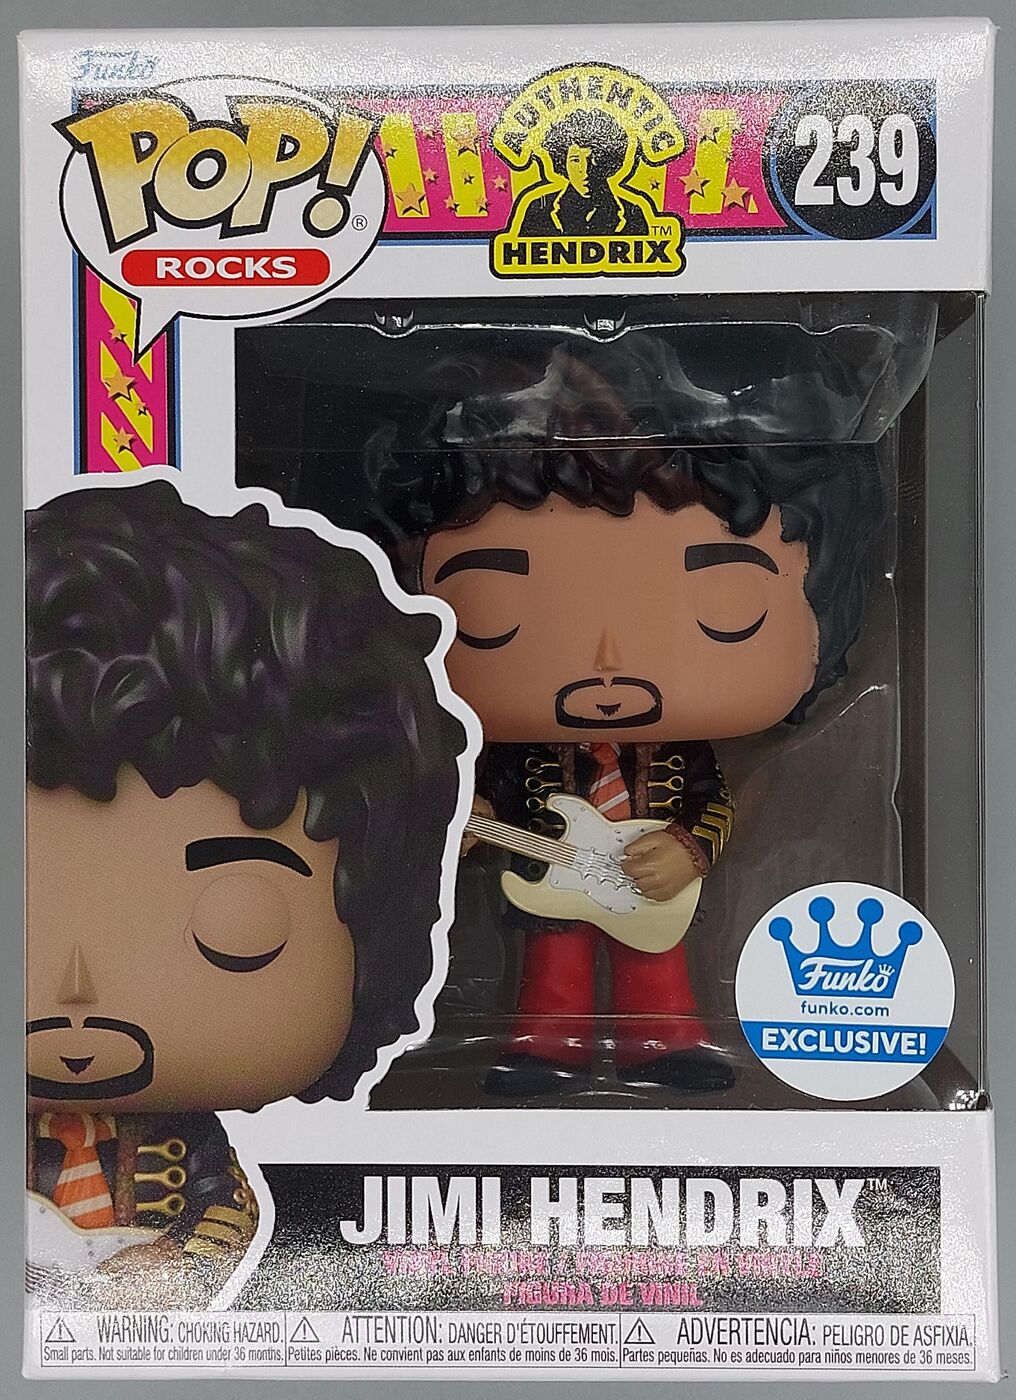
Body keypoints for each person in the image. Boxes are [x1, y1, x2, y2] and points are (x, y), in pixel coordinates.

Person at [350, 342, 883, 1098]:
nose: (607, 662)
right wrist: (472, 823)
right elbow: (488, 798)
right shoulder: (514, 749)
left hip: (645, 880)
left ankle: (664, 1040)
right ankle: (545, 1046)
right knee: (553, 960)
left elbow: (712, 802)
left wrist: (689, 850)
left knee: (655, 957)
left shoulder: (683, 749)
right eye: (494, 612)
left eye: (725, 607)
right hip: (549, 883)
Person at [25, 478, 465, 1302]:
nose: (75, 990)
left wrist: (179, 1269)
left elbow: (225, 1214)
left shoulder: (187, 1143)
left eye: (234, 928)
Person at [518, 108, 650, 237]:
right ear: (562, 163)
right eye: (575, 160)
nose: (585, 170)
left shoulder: (632, 211)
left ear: (608, 162)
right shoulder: (540, 208)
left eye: (594, 159)